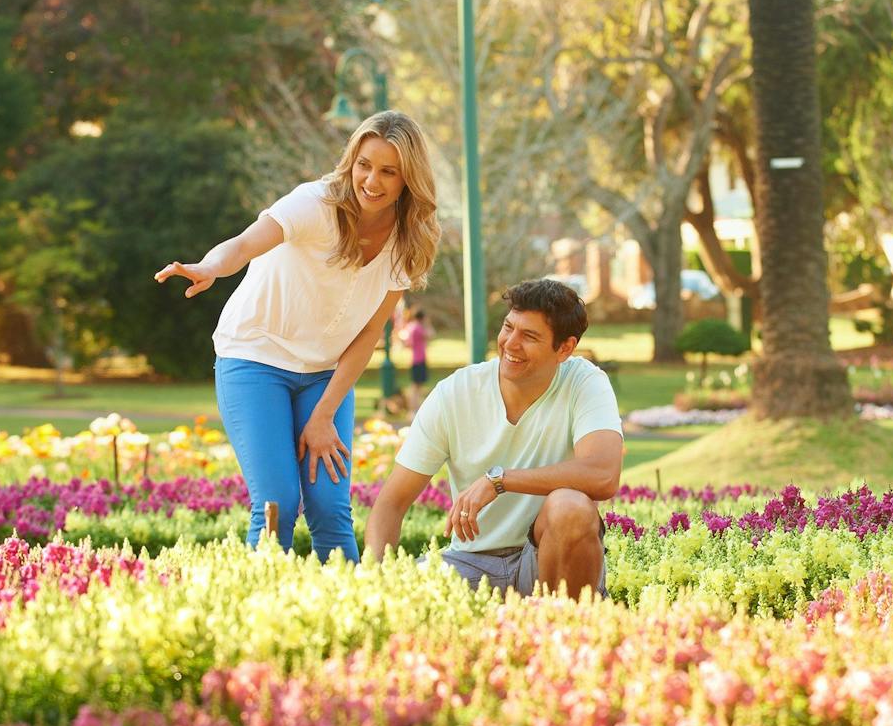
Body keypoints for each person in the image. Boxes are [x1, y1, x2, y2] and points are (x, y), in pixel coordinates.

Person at [154, 111, 440, 560]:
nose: (371, 181)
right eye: (364, 165)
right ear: (351, 161)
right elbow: (244, 244)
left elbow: (369, 332)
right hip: (255, 360)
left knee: (330, 507)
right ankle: (261, 598)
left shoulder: (410, 239)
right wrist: (209, 267)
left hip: (325, 373)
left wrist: (324, 414)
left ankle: (351, 603)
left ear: (409, 178)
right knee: (277, 504)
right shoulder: (314, 204)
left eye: (389, 171)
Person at [363, 278, 623, 599]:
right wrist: (374, 580)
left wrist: (500, 480)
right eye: (508, 327)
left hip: (546, 560)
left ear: (565, 348)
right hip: (470, 562)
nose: (511, 343)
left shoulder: (584, 383)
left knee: (570, 507)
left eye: (529, 336)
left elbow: (603, 474)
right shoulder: (455, 393)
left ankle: (564, 623)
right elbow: (391, 503)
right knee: (399, 594)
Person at [400, 304, 431, 414]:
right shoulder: (418, 328)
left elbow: (407, 342)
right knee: (416, 386)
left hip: (415, 359)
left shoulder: (411, 326)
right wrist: (427, 324)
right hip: (419, 359)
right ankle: (413, 409)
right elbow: (430, 334)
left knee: (416, 386)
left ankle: (414, 408)